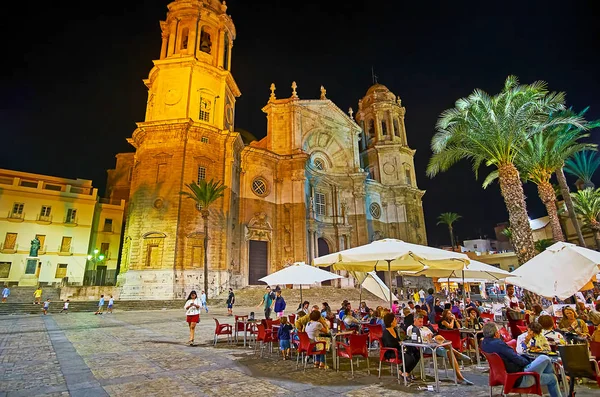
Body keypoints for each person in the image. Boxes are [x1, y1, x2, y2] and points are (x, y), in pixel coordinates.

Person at [481, 322, 563, 397]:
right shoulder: (499, 344)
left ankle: (549, 381)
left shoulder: (484, 343)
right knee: (545, 358)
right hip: (519, 378)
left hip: (504, 377)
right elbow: (516, 359)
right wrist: (527, 363)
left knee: (552, 377)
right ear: (496, 334)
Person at [406, 313, 473, 385]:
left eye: (422, 322)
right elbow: (413, 339)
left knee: (448, 350)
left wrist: (430, 339)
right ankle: (458, 354)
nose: (421, 323)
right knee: (439, 337)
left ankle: (460, 377)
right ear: (414, 320)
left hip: (434, 345)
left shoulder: (425, 328)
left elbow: (432, 337)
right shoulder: (411, 328)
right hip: (423, 348)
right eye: (419, 322)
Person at [381, 312, 420, 380]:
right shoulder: (386, 332)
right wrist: (399, 343)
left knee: (416, 353)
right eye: (395, 320)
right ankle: (404, 372)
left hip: (399, 349)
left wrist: (402, 342)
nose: (396, 321)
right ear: (391, 322)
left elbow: (398, 340)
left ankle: (403, 371)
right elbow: (390, 344)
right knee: (409, 356)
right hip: (391, 352)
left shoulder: (394, 330)